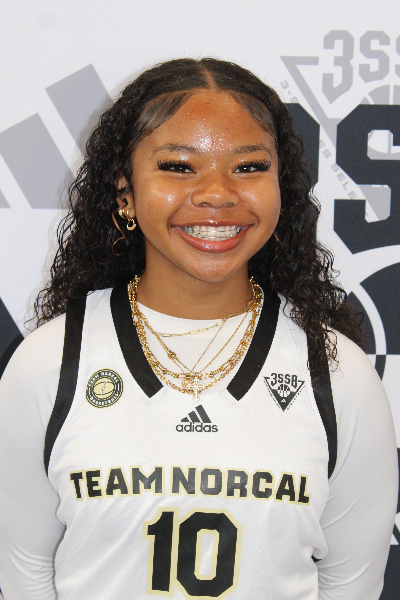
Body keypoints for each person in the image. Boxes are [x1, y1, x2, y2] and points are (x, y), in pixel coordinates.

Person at [0, 58, 397, 600]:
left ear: (281, 186)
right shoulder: (49, 363)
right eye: (179, 166)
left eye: (249, 167)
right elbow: (22, 574)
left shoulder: (335, 371)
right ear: (125, 191)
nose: (217, 193)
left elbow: (350, 584)